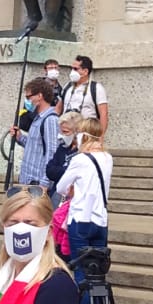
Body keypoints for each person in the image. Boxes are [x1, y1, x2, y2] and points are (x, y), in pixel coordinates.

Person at [58, 117, 112, 278]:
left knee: (82, 271)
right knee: (97, 271)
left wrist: (72, 190)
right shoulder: (108, 158)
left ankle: (84, 303)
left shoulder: (79, 159)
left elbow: (61, 187)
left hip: (81, 218)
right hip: (101, 218)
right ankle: (98, 303)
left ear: (84, 135)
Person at [17, 78, 60, 187]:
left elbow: (52, 152)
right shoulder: (38, 118)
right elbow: (35, 146)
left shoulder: (50, 120)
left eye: (29, 97)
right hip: (28, 181)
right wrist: (20, 137)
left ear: (40, 96)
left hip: (38, 183)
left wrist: (44, 183)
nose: (27, 101)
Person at [60, 54, 110, 139]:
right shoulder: (67, 86)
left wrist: (100, 138)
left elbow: (103, 114)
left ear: (85, 71)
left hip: (87, 136)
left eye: (75, 69)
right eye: (71, 68)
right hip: (67, 135)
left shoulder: (96, 88)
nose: (72, 71)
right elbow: (58, 109)